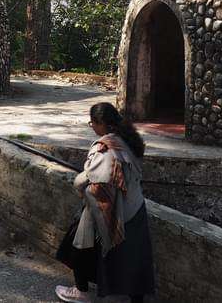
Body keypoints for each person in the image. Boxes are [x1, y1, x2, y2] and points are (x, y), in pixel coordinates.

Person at [54, 102, 155, 303]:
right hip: (135, 208)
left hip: (111, 209)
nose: (91, 126)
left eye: (92, 123)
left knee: (79, 244)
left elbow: (90, 179)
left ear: (101, 123)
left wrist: (79, 183)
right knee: (135, 259)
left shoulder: (105, 148)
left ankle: (81, 291)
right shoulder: (129, 140)